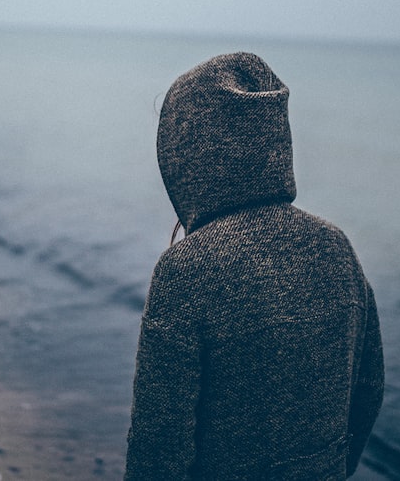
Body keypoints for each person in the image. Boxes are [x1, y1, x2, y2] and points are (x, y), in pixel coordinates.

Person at [125, 52, 384, 480]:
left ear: (186, 154)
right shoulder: (337, 249)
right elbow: (368, 393)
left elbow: (159, 446)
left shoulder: (187, 271)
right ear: (274, 140)